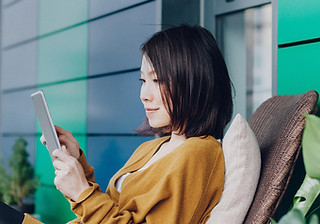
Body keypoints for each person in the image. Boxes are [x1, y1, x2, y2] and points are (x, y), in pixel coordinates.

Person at [21, 24, 233, 223]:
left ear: (193, 82)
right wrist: (78, 167)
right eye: (143, 80)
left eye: (157, 80)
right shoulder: (151, 148)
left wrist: (81, 192)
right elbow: (114, 211)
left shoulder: (200, 153)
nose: (144, 95)